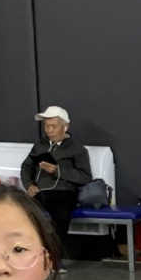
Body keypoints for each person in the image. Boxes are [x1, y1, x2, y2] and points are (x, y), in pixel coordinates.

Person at [22, 105, 93, 246]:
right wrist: (29, 185)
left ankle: (56, 251)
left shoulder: (77, 149)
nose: (49, 130)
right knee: (20, 210)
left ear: (65, 126)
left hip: (63, 193)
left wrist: (57, 171)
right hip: (40, 192)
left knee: (60, 214)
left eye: (53, 126)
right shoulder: (40, 145)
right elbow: (26, 166)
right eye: (46, 126)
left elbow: (85, 177)